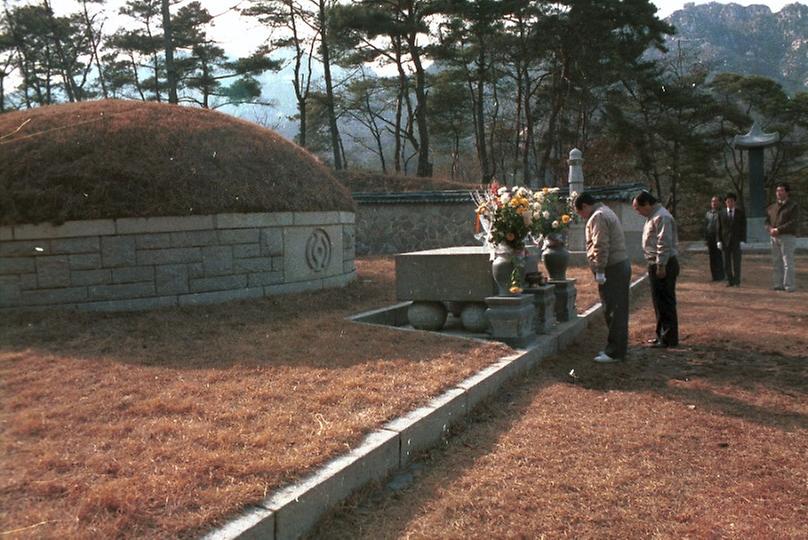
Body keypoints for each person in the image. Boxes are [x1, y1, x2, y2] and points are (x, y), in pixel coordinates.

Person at [574, 192, 631, 363]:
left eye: (580, 213)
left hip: (612, 268)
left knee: (614, 310)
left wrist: (599, 270)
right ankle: (615, 348)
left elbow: (600, 244)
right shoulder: (606, 211)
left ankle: (615, 352)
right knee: (616, 310)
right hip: (617, 266)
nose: (582, 217)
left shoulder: (598, 216)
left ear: (585, 206)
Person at [632, 191, 679, 348]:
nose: (638, 213)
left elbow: (663, 242)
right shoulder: (652, 216)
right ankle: (661, 334)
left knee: (665, 302)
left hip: (663, 264)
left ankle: (669, 338)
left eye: (638, 209)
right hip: (655, 263)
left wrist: (661, 265)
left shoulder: (661, 216)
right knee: (658, 302)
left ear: (646, 204)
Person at [766, 182, 801, 292]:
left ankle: (789, 285)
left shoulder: (793, 206)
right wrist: (769, 229)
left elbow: (793, 222)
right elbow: (766, 221)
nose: (778, 193)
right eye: (777, 191)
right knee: (777, 261)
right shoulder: (772, 207)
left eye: (781, 190)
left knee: (787, 262)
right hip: (774, 237)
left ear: (787, 192)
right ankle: (778, 284)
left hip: (787, 236)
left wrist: (778, 229)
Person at [717, 192, 746, 287]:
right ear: (725, 202)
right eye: (728, 201)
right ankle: (730, 280)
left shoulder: (740, 213)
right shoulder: (721, 213)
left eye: (732, 201)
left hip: (736, 241)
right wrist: (718, 241)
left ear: (735, 202)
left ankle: (737, 281)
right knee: (726, 263)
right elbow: (719, 228)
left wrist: (743, 240)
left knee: (737, 262)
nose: (730, 203)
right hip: (725, 242)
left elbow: (743, 227)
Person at [704, 195, 725, 281]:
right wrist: (705, 239)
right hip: (710, 238)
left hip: (718, 238)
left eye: (716, 201)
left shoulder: (722, 213)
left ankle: (721, 276)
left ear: (719, 203)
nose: (714, 203)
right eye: (712, 201)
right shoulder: (708, 214)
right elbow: (705, 226)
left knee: (719, 257)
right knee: (712, 258)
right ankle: (714, 276)